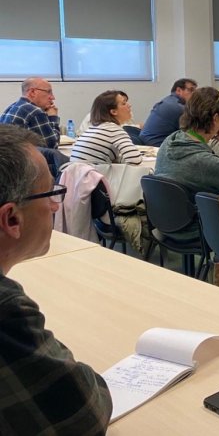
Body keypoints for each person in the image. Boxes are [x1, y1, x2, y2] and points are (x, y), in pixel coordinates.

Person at [0, 125, 113, 434]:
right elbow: (84, 415)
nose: (56, 206)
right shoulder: (6, 310)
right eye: (51, 194)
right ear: (11, 218)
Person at [154, 87, 219, 240]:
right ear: (217, 119)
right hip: (194, 228)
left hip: (165, 223)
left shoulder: (171, 140)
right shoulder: (205, 162)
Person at [70, 90, 143, 165]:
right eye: (124, 103)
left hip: (79, 174)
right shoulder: (113, 130)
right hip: (94, 175)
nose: (129, 105)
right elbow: (135, 160)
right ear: (113, 112)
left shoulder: (94, 129)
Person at [0, 78, 61, 149]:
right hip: (21, 159)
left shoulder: (13, 106)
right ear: (32, 92)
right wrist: (53, 117)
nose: (53, 97)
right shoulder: (35, 112)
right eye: (48, 92)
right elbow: (52, 147)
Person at [140, 78, 198, 146]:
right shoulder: (178, 108)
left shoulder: (167, 101)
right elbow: (193, 134)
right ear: (179, 90)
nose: (194, 94)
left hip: (146, 140)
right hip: (156, 145)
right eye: (191, 90)